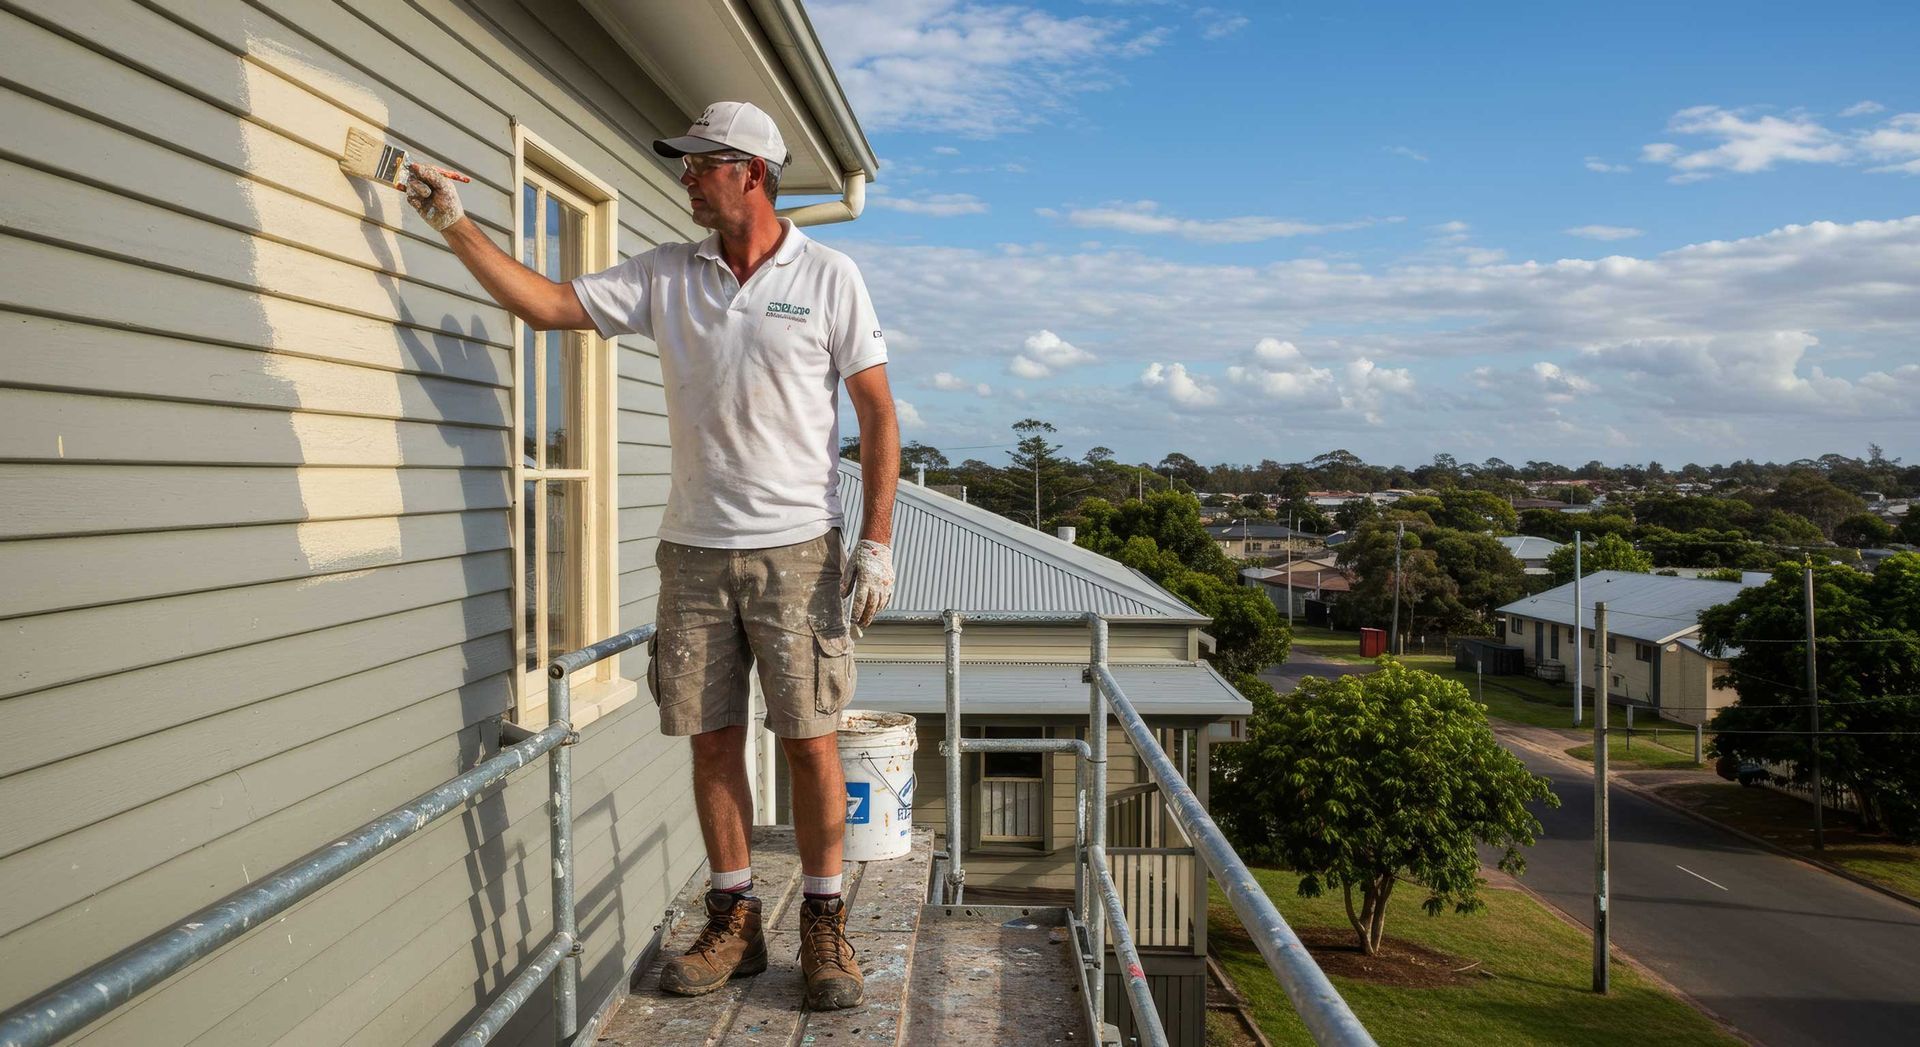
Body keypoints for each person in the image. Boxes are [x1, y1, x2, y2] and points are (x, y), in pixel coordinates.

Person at [404, 100, 899, 1011]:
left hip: (799, 551)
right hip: (695, 556)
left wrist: (874, 543)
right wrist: (448, 220)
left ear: (748, 169)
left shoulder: (830, 277)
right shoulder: (667, 274)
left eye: (697, 164)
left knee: (810, 741)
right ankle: (735, 920)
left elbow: (876, 415)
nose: (684, 179)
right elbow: (549, 305)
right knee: (711, 739)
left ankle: (825, 925)